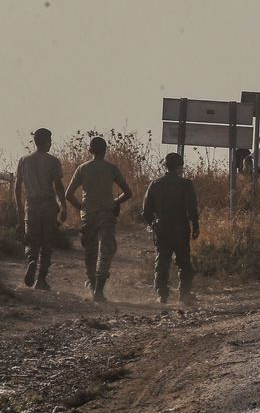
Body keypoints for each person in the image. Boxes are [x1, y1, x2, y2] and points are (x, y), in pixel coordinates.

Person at [65, 137, 133, 302]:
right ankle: (99, 290)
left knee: (90, 250)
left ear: (90, 150)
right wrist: (115, 202)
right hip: (107, 214)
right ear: (105, 150)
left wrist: (81, 207)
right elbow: (128, 192)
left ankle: (92, 282)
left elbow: (68, 194)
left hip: (88, 215)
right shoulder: (112, 168)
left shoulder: (82, 169)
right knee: (105, 250)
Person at [142, 153, 200, 305]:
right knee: (184, 262)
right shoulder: (186, 184)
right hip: (181, 227)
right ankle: (184, 295)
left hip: (162, 227)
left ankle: (162, 295)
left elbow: (146, 211)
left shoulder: (155, 184)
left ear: (165, 166)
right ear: (180, 167)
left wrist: (153, 224)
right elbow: (192, 208)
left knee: (162, 261)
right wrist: (195, 225)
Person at [14, 128, 67, 290]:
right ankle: (41, 279)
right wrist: (63, 206)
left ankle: (31, 260)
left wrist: (19, 207)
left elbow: (17, 186)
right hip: (48, 205)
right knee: (46, 242)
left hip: (31, 204)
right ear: (46, 142)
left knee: (31, 239)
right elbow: (58, 185)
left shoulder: (24, 160)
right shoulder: (53, 161)